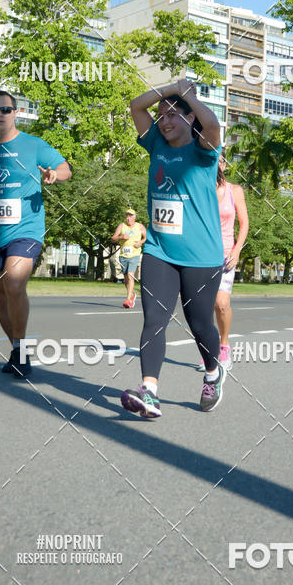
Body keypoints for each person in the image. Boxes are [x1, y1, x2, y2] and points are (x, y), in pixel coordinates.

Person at [120, 78, 226, 418]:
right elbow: (137, 105)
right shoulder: (156, 144)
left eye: (171, 116)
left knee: (200, 325)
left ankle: (212, 372)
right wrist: (170, 89)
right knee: (154, 320)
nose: (163, 122)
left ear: (189, 117)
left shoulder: (204, 150)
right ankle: (149, 390)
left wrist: (187, 95)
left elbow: (212, 123)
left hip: (201, 257)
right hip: (159, 251)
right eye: (161, 116)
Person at [0, 90, 71, 378]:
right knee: (0, 294)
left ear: (16, 113)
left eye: (6, 109)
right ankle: (17, 348)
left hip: (26, 229)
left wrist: (53, 175)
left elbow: (65, 169)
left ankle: (21, 352)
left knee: (13, 283)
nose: (0, 114)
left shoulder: (33, 145)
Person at [199, 155, 249, 371]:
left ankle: (224, 346)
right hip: (201, 255)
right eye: (212, 160)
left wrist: (237, 250)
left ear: (225, 164)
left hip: (226, 254)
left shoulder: (235, 190)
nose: (217, 164)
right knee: (204, 307)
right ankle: (208, 352)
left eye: (220, 161)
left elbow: (244, 223)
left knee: (221, 304)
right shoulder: (200, 188)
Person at [111, 209, 146, 308]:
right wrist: (121, 237)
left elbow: (146, 237)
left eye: (130, 216)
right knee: (126, 279)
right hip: (123, 256)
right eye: (127, 215)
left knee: (131, 276)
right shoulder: (122, 226)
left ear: (134, 217)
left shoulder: (140, 226)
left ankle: (128, 299)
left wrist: (141, 242)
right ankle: (132, 294)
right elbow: (113, 238)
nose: (128, 218)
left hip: (134, 255)